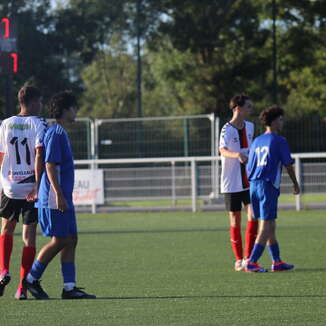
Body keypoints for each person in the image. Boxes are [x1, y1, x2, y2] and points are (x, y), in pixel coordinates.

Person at [23, 90, 96, 299]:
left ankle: (69, 288)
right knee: (60, 239)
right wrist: (59, 195)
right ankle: (31, 279)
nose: (76, 111)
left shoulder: (61, 132)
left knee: (71, 239)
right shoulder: (55, 133)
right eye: (74, 108)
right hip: (55, 198)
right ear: (65, 110)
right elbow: (49, 165)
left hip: (63, 197)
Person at [0, 86, 47, 300]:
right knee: (28, 237)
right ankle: (21, 288)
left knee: (6, 228)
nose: (42, 105)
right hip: (30, 187)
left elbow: (2, 155)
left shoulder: (6, 124)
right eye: (41, 101)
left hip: (9, 185)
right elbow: (39, 155)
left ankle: (2, 270)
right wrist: (38, 184)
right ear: (34, 101)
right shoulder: (38, 124)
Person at [245, 105, 300, 272]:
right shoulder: (279, 140)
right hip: (267, 185)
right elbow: (288, 165)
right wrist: (295, 183)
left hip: (254, 185)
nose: (282, 122)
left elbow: (249, 166)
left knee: (270, 224)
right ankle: (251, 262)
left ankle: (277, 261)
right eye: (281, 119)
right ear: (275, 121)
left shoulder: (256, 141)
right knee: (266, 225)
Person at [219, 94, 258, 271]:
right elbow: (222, 150)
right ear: (238, 108)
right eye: (248, 106)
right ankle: (238, 259)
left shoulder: (250, 127)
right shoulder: (226, 129)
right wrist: (236, 155)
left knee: (254, 216)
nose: (251, 110)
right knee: (235, 220)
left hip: (249, 181)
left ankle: (248, 258)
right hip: (231, 182)